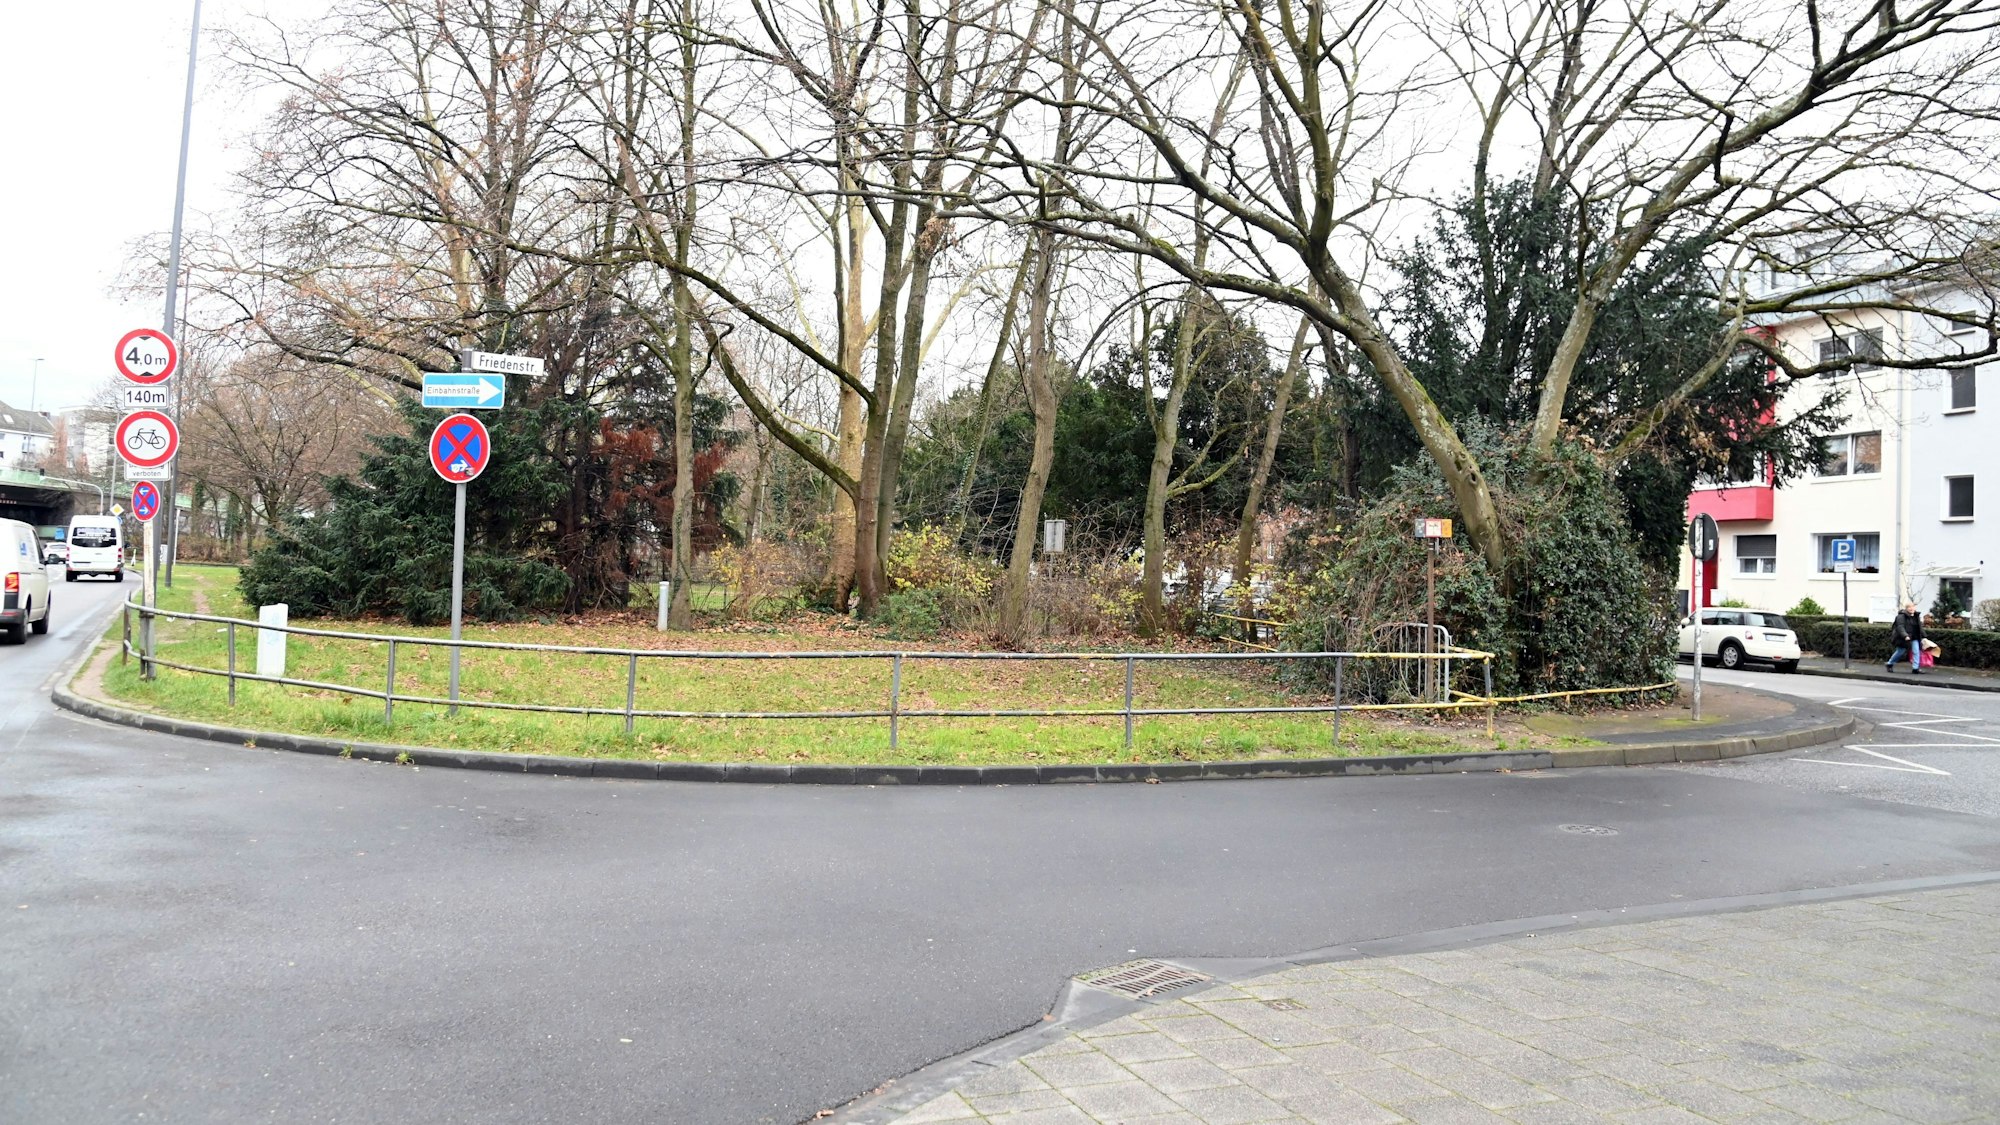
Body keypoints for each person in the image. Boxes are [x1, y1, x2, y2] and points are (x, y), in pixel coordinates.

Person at [1887, 602, 1926, 674]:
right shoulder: (1901, 617)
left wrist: (1924, 636)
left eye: (1913, 607)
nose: (1911, 608)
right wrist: (1905, 635)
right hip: (1903, 638)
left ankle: (1915, 668)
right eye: (1909, 607)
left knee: (1916, 652)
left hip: (1914, 637)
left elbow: (1919, 627)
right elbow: (1900, 627)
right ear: (1906, 608)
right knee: (1900, 652)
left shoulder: (1916, 616)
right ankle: (1890, 663)